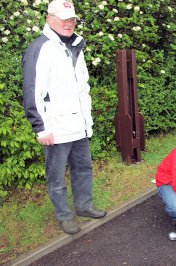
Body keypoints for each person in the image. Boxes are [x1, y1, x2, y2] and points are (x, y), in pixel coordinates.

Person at [22, 0, 106, 234]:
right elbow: (32, 91)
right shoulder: (41, 48)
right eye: (64, 19)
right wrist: (41, 128)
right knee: (56, 176)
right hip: (56, 127)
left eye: (72, 20)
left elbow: (82, 88)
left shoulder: (75, 46)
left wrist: (87, 121)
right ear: (49, 20)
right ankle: (64, 215)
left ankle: (84, 206)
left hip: (79, 125)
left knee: (83, 168)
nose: (69, 24)